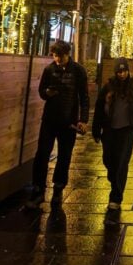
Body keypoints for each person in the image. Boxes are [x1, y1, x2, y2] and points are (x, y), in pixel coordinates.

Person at [28, 40, 89, 207]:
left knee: (64, 156)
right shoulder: (49, 69)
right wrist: (47, 93)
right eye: (55, 57)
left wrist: (83, 120)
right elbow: (42, 92)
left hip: (69, 121)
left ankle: (58, 189)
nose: (57, 60)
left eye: (60, 57)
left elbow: (84, 96)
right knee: (42, 154)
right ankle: (38, 189)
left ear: (67, 55)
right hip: (49, 119)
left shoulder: (78, 71)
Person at [92, 58, 133, 212]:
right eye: (119, 72)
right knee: (108, 160)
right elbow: (98, 108)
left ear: (128, 71)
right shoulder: (108, 87)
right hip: (109, 130)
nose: (121, 74)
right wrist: (96, 130)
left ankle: (116, 197)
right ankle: (113, 178)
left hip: (127, 131)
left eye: (124, 71)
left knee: (122, 163)